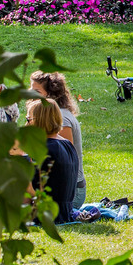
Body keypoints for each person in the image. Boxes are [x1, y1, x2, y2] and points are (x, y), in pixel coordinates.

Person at [30, 71, 88, 208]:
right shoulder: (49, 115)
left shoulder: (61, 118)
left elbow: (64, 162)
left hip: (72, 194)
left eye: (36, 91)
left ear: (50, 94)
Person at [26, 97, 78, 225]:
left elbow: (35, 192)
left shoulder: (44, 149)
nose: (26, 125)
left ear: (40, 121)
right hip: (66, 212)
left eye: (28, 120)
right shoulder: (67, 144)